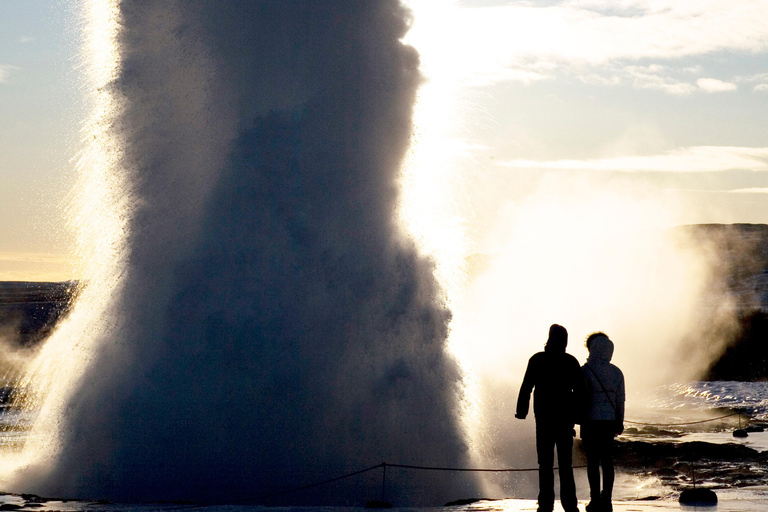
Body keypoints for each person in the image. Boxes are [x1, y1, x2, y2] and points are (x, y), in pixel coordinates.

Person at [516, 324, 585, 512]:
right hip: (564, 420)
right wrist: (579, 417)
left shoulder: (537, 359)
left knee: (545, 463)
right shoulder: (571, 361)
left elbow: (526, 387)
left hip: (544, 420)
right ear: (565, 341)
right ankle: (570, 504)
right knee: (565, 464)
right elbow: (581, 392)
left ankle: (545, 504)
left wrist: (522, 411)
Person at [580, 332, 625, 512]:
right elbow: (620, 400)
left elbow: (579, 398)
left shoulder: (585, 370)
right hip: (609, 422)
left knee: (592, 462)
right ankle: (607, 499)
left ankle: (594, 499)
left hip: (590, 422)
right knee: (607, 461)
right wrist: (619, 422)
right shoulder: (616, 372)